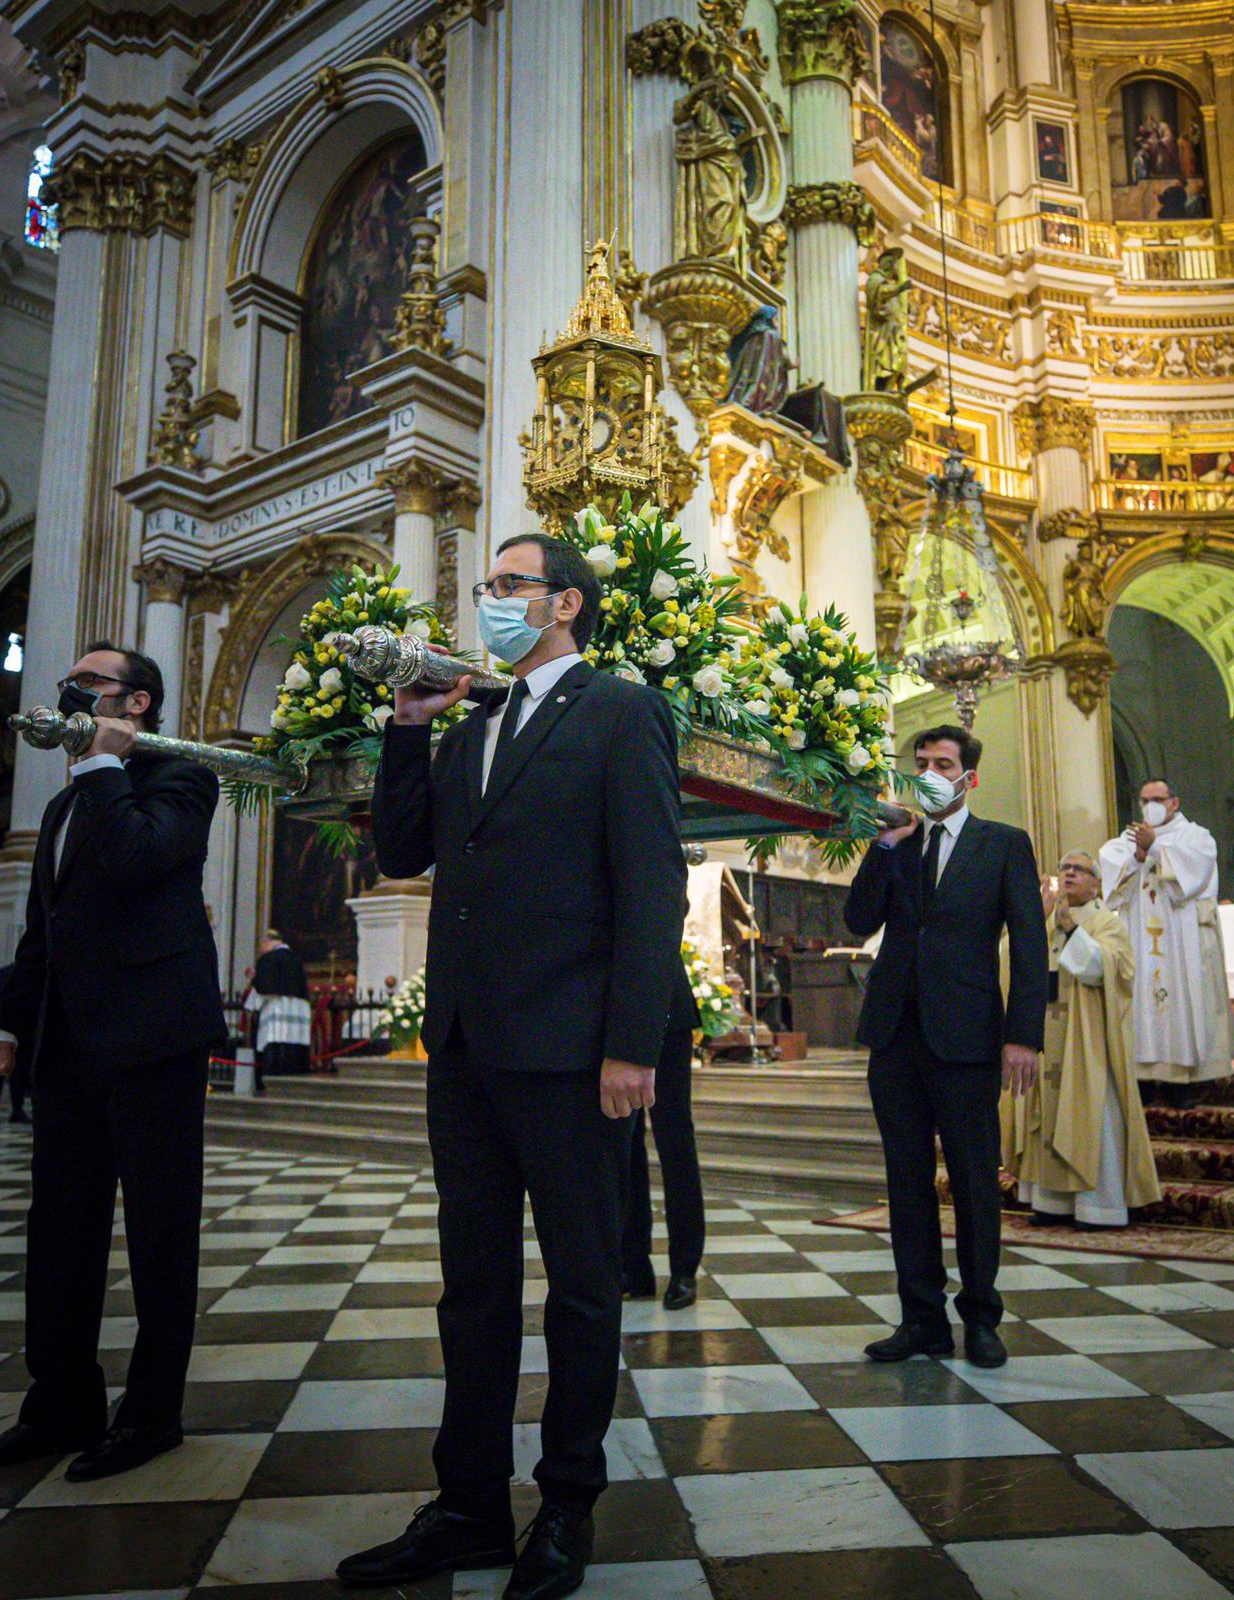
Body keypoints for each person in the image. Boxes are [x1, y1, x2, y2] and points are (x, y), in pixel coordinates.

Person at [339, 533, 686, 1599]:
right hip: (467, 1047)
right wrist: (405, 729)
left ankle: (567, 1505)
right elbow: (404, 854)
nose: (489, 601)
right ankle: (468, 1504)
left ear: (564, 604)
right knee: (472, 1287)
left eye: (507, 586)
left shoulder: (622, 711)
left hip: (575, 1052)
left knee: (582, 1286)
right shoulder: (469, 726)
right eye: (487, 587)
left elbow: (650, 885)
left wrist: (633, 1044)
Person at [0, 643, 225, 1484]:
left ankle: (151, 1415)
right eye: (68, 681)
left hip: (153, 1041)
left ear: (137, 703)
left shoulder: (181, 778)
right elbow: (47, 926)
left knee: (158, 1235)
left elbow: (142, 857)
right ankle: (61, 1403)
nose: (69, 692)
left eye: (90, 683)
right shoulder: (71, 801)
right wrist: (7, 1019)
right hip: (66, 1045)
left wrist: (106, 764)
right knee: (61, 1231)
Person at [843, 723, 1045, 1370]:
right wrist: (883, 845)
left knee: (972, 1182)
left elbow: (1031, 944)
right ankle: (921, 1318)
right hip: (895, 1036)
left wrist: (1024, 1036)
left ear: (969, 777)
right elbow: (858, 920)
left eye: (942, 763)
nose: (929, 771)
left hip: (968, 1037)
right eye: (921, 761)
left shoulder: (1004, 845)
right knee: (905, 1182)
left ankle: (981, 1317)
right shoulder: (899, 842)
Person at [1003, 852, 1161, 1229]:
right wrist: (1032, 919)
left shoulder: (1106, 922)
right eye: (1065, 869)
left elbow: (1107, 970)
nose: (1070, 874)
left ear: (1096, 883)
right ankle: (1051, 1202)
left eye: (1080, 870)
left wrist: (1073, 931)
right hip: (1046, 1034)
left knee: (1091, 1114)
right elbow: (1007, 959)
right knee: (1047, 1116)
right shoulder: (1044, 922)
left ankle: (1099, 1207)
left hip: (1087, 1041)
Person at [1100, 778, 1234, 1106]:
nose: (1151, 806)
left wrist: (1156, 849)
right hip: (1140, 941)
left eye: (1158, 799)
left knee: (1182, 1001)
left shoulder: (1196, 837)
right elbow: (1112, 888)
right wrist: (1139, 853)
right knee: (1142, 1004)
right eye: (1145, 800)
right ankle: (1144, 1078)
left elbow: (1190, 879)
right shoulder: (1126, 841)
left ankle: (1184, 1081)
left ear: (1174, 802)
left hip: (1181, 939)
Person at [621, 948, 706, 1311]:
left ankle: (684, 1268)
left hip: (665, 1003)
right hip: (614, 1011)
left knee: (674, 1139)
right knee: (623, 1143)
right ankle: (633, 1266)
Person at [245, 929, 311, 1092]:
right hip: (298, 1009)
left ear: (267, 942)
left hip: (275, 1010)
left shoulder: (268, 959)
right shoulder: (296, 959)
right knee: (293, 1045)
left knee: (274, 1045)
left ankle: (269, 1083)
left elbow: (263, 988)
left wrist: (254, 979)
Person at [0, 963, 31, 1125]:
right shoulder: (4, 972)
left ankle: (17, 1109)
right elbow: (0, 998)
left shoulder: (31, 970)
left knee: (19, 1072)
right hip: (4, 1026)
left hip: (23, 1030)